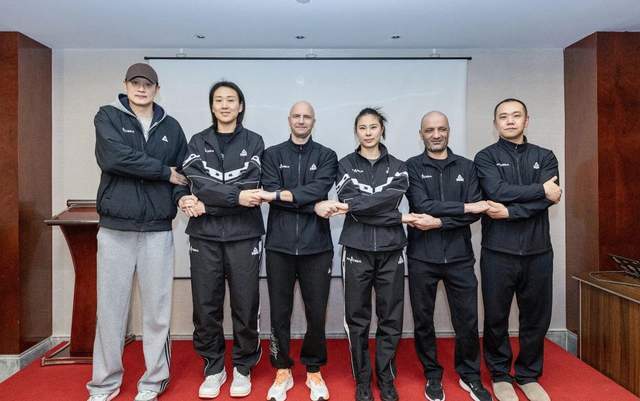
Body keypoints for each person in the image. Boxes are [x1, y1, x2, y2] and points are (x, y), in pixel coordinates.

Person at [87, 63, 190, 401]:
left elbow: (182, 174)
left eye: (148, 84)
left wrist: (183, 195)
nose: (141, 89)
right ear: (125, 85)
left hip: (157, 229)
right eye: (135, 83)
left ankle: (153, 381)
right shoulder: (108, 116)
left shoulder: (171, 127)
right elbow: (114, 159)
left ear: (157, 89)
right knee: (110, 311)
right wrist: (163, 172)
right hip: (116, 229)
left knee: (157, 311)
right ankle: (104, 384)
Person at [181, 81, 265, 399]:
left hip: (244, 235)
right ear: (212, 106)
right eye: (219, 100)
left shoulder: (254, 141)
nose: (225, 105)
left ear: (240, 106)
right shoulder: (197, 141)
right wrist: (232, 198)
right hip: (204, 236)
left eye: (231, 100)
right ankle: (214, 368)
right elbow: (197, 184)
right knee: (206, 306)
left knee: (245, 304)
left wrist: (210, 204)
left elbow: (252, 187)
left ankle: (243, 366)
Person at [474, 98, 561, 401]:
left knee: (536, 318)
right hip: (498, 252)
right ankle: (500, 374)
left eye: (516, 115)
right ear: (495, 123)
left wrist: (511, 211)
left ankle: (527, 374)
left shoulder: (545, 156)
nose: (510, 121)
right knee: (496, 317)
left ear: (526, 120)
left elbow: (549, 199)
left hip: (538, 252)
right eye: (503, 116)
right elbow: (496, 191)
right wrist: (540, 190)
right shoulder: (485, 157)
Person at [405, 111, 493, 401]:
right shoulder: (412, 166)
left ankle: (470, 375)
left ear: (448, 131)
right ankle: (432, 374)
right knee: (423, 320)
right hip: (422, 257)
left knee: (467, 319)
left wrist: (440, 222)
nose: (436, 134)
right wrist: (465, 207)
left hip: (459, 257)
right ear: (421, 134)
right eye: (430, 130)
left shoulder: (467, 167)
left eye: (441, 129)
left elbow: (476, 211)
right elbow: (422, 204)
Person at [328, 107, 414, 401]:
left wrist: (355, 207)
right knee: (357, 319)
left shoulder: (400, 166)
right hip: (356, 249)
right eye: (362, 127)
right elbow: (353, 203)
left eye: (373, 127)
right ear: (356, 131)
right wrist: (395, 216)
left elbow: (383, 202)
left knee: (390, 317)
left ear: (381, 130)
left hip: (391, 250)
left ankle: (386, 378)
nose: (368, 132)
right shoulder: (344, 165)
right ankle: (362, 380)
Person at [259, 101, 338, 401]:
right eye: (296, 116)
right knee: (279, 312)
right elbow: (271, 191)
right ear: (289, 119)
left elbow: (317, 190)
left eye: (307, 117)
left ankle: (314, 369)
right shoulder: (272, 154)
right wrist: (310, 204)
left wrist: (281, 196)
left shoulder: (327, 155)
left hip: (317, 247)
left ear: (313, 121)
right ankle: (282, 369)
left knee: (316, 312)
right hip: (279, 246)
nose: (301, 121)